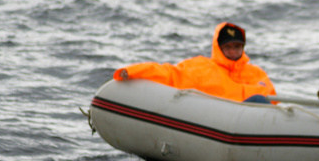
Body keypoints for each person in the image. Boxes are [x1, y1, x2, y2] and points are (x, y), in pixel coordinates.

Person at [113, 22, 276, 103]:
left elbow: (276, 103)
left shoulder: (257, 74)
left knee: (260, 101)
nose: (233, 51)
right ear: (219, 47)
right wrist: (131, 72)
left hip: (256, 127)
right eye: (228, 47)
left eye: (237, 46)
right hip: (220, 126)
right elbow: (168, 74)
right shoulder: (201, 68)